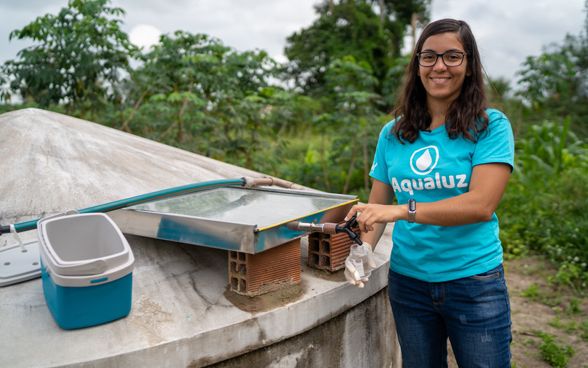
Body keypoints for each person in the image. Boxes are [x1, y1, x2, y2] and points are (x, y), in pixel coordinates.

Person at [344, 18, 514, 368]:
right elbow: (377, 208)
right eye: (429, 56)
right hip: (409, 284)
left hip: (474, 282)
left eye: (453, 56)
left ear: (469, 65)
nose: (439, 66)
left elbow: (481, 205)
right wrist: (361, 251)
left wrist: (399, 211)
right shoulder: (393, 133)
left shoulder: (489, 126)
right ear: (417, 64)